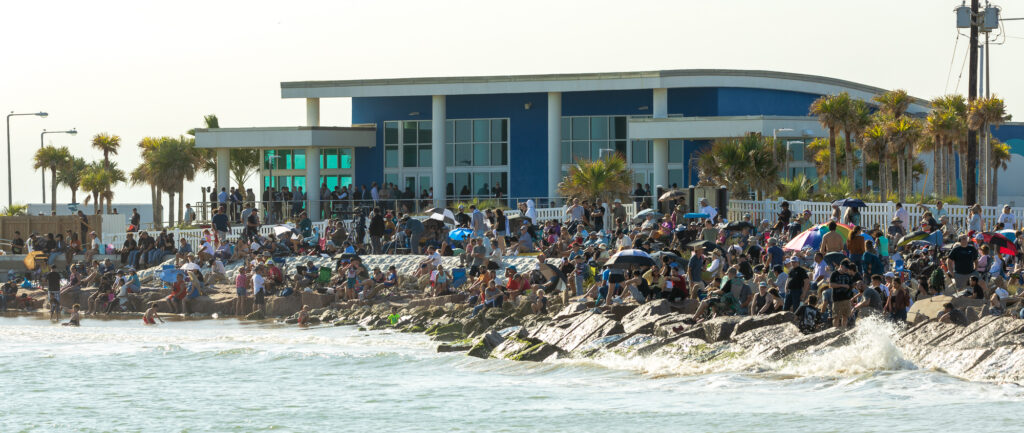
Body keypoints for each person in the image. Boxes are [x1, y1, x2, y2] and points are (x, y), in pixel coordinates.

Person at [829, 260, 857, 328]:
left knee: (845, 316)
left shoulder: (847, 275)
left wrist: (854, 285)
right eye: (845, 268)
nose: (847, 269)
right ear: (841, 266)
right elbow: (831, 285)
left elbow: (850, 285)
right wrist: (843, 285)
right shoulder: (834, 274)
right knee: (836, 317)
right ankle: (835, 329)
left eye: (848, 268)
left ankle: (843, 329)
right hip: (837, 299)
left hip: (847, 299)